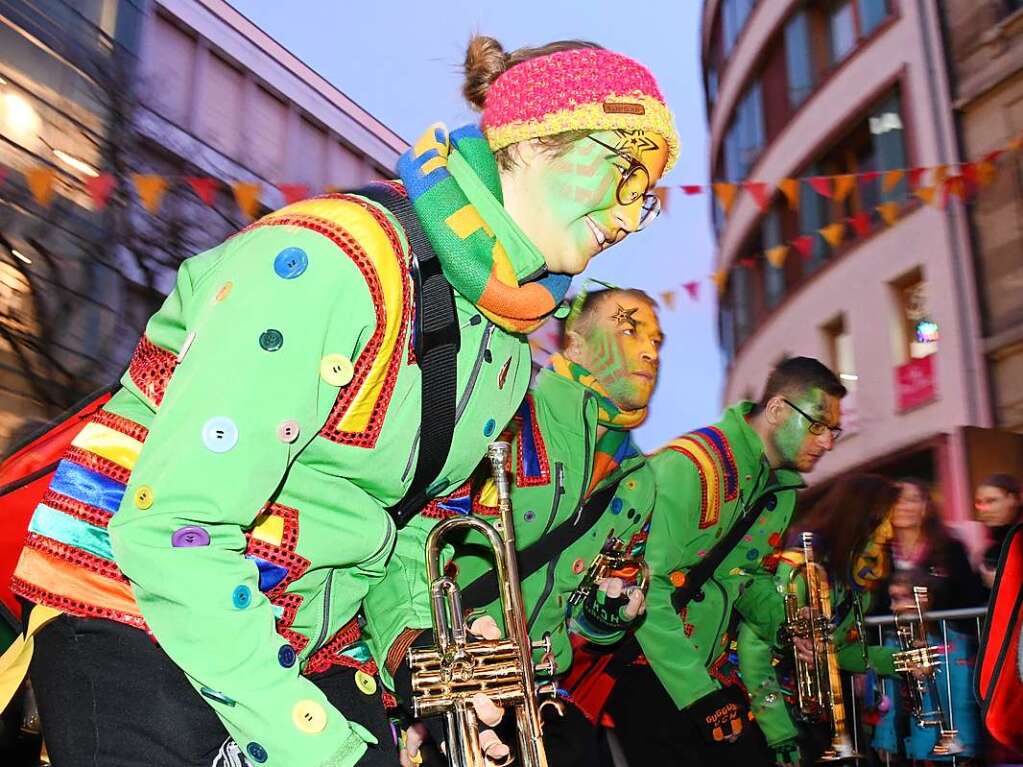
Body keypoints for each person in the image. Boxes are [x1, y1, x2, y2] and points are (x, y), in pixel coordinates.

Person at [0, 34, 678, 767]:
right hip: (141, 619)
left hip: (309, 644)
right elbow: (173, 531)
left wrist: (419, 644)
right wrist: (317, 745)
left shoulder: (508, 350)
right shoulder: (327, 258)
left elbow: (407, 525)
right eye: (623, 170)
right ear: (533, 138)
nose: (629, 214)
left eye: (646, 194)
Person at [373, 284, 662, 767]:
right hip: (454, 683)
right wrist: (421, 656)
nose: (650, 350)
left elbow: (580, 622)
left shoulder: (639, 480)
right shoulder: (505, 416)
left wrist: (611, 613)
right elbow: (408, 540)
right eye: (629, 329)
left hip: (543, 698)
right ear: (575, 344)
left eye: (657, 339)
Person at [606, 356, 847, 767]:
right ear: (776, 410)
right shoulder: (691, 466)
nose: (827, 442)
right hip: (652, 671)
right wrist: (701, 697)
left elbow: (744, 577)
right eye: (817, 426)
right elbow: (647, 586)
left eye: (834, 431)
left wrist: (789, 628)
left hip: (707, 672)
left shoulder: (780, 490)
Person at [738, 474, 905, 766]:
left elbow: (841, 651)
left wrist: (904, 661)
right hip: (767, 712)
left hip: (810, 712)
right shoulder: (802, 569)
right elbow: (753, 649)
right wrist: (780, 735)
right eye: (885, 520)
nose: (891, 533)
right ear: (859, 518)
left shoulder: (853, 581)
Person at [870, 479, 985, 763]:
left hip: (948, 652)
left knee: (955, 718)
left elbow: (969, 598)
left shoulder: (949, 547)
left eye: (912, 499)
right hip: (896, 651)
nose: (905, 506)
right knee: (901, 720)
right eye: (897, 500)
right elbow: (871, 608)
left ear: (925, 506)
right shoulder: (876, 553)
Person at [975, 473, 1023, 589]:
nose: (984, 509)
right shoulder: (991, 551)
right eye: (980, 503)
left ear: (1013, 499)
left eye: (991, 501)